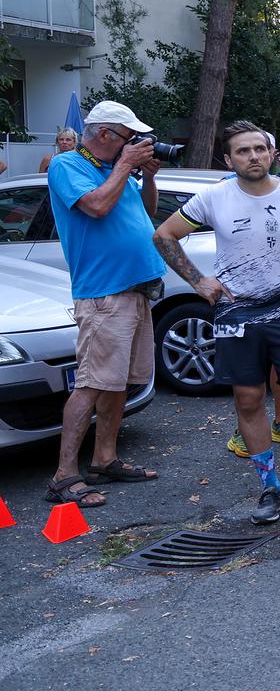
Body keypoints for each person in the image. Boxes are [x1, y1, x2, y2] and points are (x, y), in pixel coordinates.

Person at [154, 120, 280, 525]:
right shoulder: (214, 197)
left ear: (271, 153)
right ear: (230, 159)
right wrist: (197, 281)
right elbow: (164, 235)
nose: (253, 156)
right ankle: (269, 489)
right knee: (247, 400)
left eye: (259, 149)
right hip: (235, 312)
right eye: (243, 151)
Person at [43, 101, 165, 508]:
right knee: (93, 383)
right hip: (103, 294)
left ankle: (104, 459)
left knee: (119, 382)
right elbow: (96, 207)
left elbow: (145, 213)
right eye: (131, 138)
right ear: (106, 135)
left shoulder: (118, 171)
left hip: (135, 291)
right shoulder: (67, 166)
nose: (139, 144)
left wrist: (146, 178)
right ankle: (64, 475)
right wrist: (123, 166)